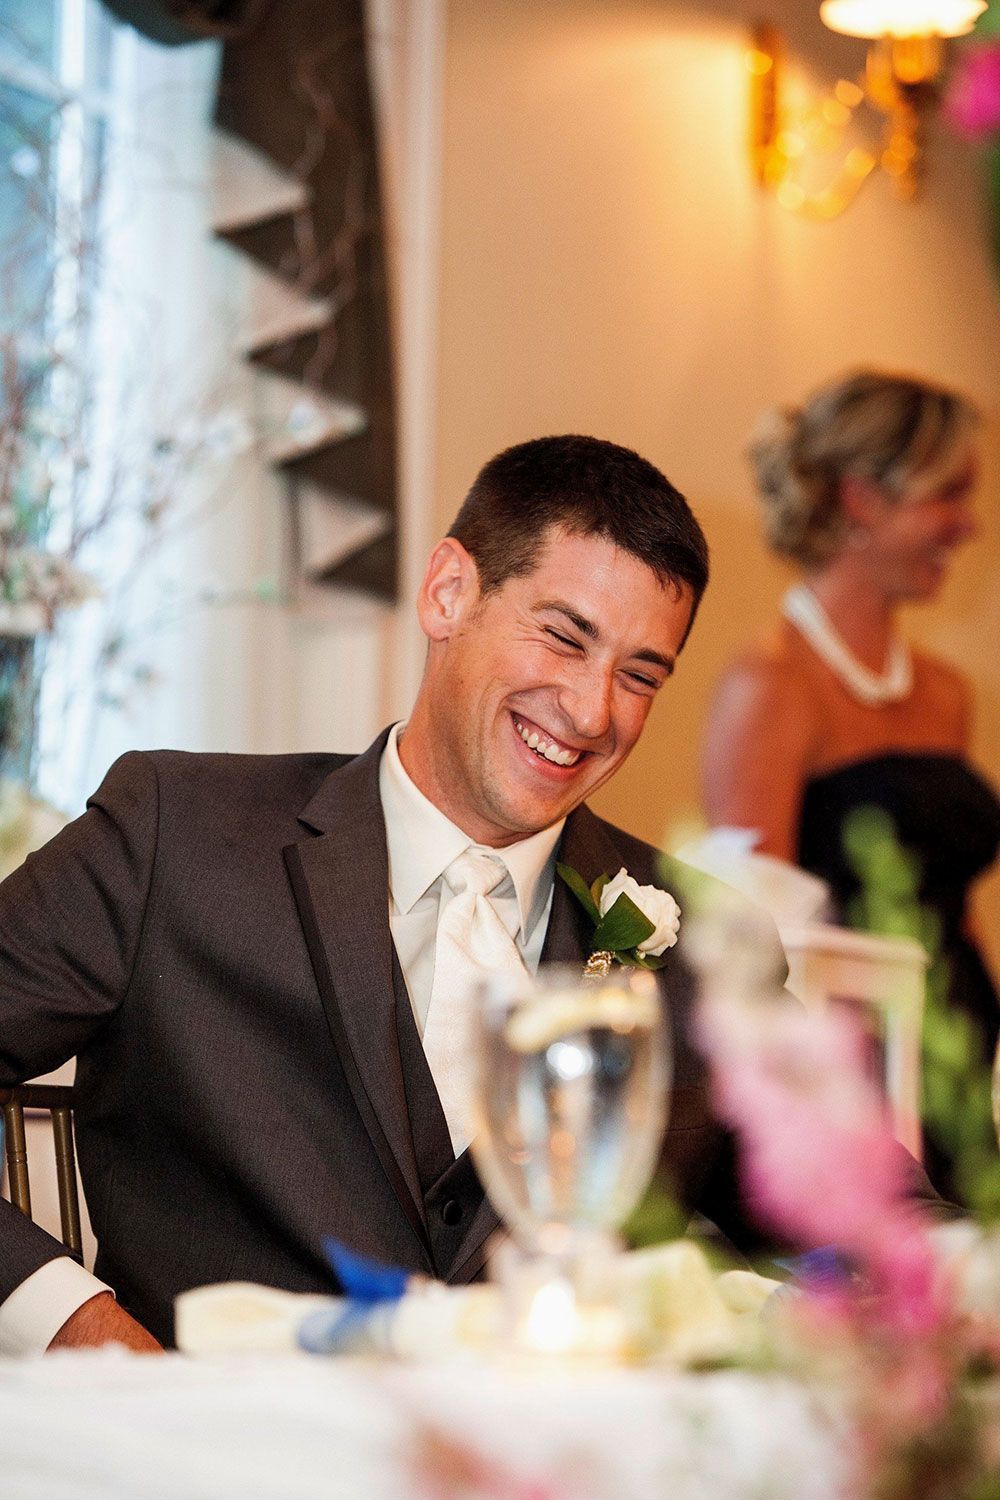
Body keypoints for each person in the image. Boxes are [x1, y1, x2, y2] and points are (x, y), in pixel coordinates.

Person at [0, 433, 926, 1357]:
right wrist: (85, 1334)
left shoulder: (708, 940)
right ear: (449, 593)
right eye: (565, 636)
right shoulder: (177, 832)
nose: (594, 711)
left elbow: (879, 1216)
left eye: (640, 674)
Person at [702, 370, 1000, 1167]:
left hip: (964, 1053)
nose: (968, 526)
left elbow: (955, 905)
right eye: (949, 495)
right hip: (853, 1078)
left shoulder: (947, 692)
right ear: (865, 499)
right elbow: (753, 931)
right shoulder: (771, 682)